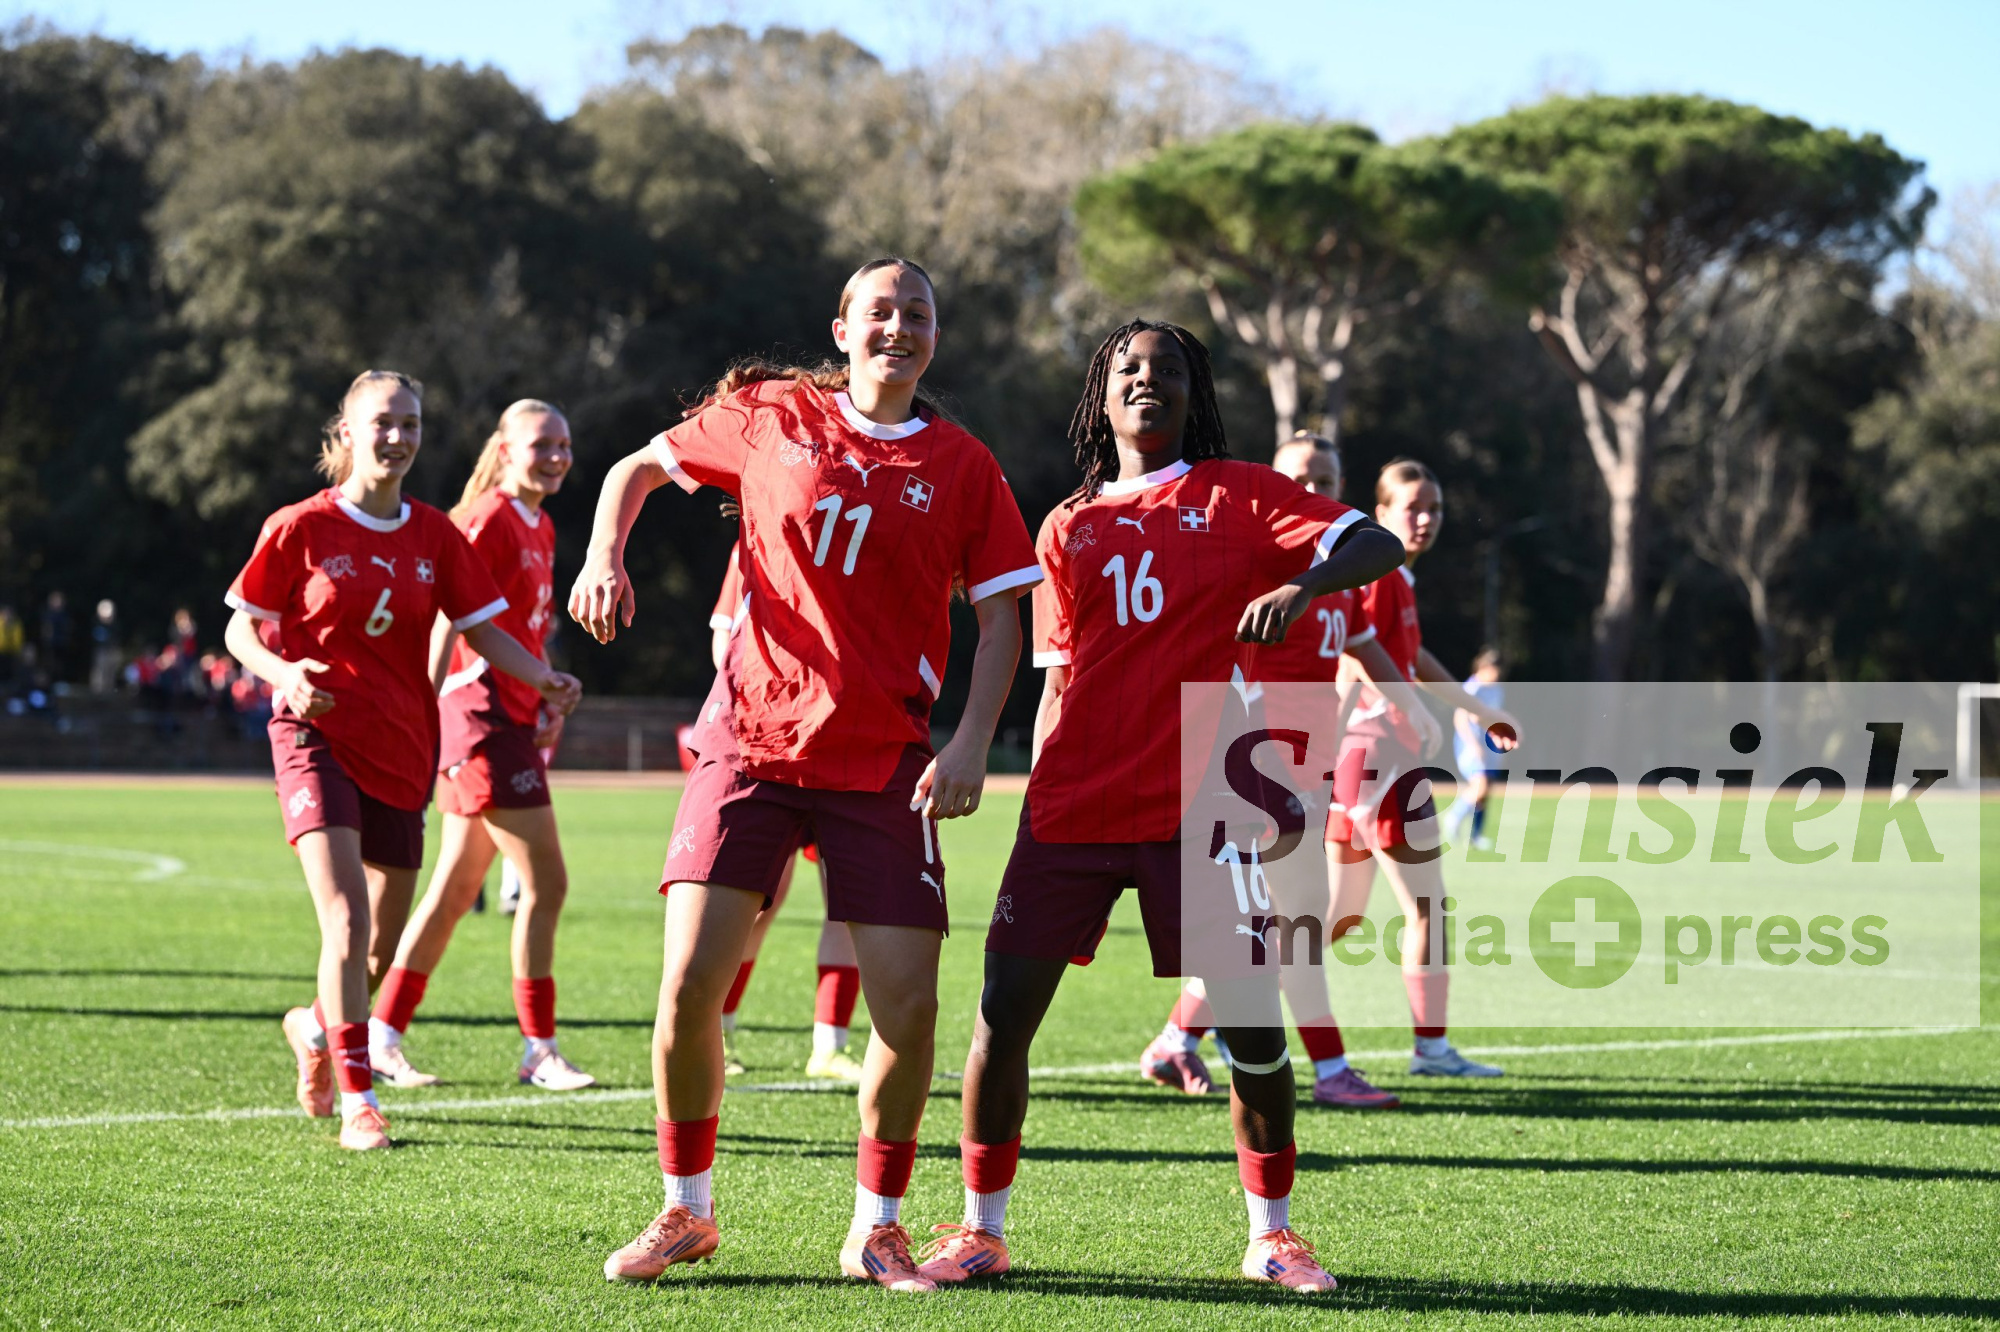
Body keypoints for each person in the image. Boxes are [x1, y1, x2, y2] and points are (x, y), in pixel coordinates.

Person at [572, 258, 1040, 1290]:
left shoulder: (963, 464)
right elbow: (634, 470)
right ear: (841, 327)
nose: (898, 328)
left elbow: (1004, 617)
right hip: (749, 743)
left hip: (884, 762)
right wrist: (605, 554)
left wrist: (970, 741)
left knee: (907, 1012)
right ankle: (685, 1208)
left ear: (935, 336)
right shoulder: (771, 414)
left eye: (917, 315)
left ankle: (877, 1227)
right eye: (880, 311)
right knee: (688, 988)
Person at [922, 322, 1405, 1293]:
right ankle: (981, 1229)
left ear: (1194, 393)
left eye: (1169, 369)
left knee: (1253, 1033)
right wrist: (1031, 795)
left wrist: (1301, 582)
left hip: (1203, 812)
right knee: (1000, 1021)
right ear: (1100, 397)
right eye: (1129, 368)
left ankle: (1272, 1236)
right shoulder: (1065, 525)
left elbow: (1376, 542)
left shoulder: (1239, 494)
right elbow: (1057, 680)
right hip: (1071, 805)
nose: (1148, 380)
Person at [222, 370, 581, 1151]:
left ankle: (315, 1028)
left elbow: (482, 628)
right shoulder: (300, 526)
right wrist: (283, 674)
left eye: (411, 424)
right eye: (382, 423)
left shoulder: (435, 535)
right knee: (347, 921)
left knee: (378, 950)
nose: (397, 437)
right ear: (347, 432)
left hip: (403, 746)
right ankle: (360, 1100)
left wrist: (543, 677)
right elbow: (240, 628)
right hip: (315, 738)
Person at [1139, 431, 1440, 1110]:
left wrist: (1412, 705)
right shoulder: (1256, 560)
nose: (1312, 491)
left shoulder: (1339, 570)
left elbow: (1364, 647)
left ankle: (1176, 1039)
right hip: (1256, 763)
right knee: (1294, 924)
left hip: (1309, 764)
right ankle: (1329, 1069)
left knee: (1276, 925)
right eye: (1299, 478)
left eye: (1326, 481)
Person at [367, 399, 597, 1092]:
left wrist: (543, 698)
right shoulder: (488, 518)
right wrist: (420, 710)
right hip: (477, 716)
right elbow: (445, 616)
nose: (556, 456)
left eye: (564, 444)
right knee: (547, 884)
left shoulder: (540, 523)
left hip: (509, 716)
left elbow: (522, 628)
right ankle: (538, 1049)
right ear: (503, 450)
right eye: (541, 443)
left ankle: (378, 1035)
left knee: (455, 889)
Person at [1326, 459, 1519, 1078]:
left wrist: (1476, 711)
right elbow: (1355, 659)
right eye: (1412, 507)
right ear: (1380, 513)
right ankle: (1432, 1050)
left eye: (1434, 508)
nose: (1426, 518)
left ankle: (1191, 1024)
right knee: (1427, 907)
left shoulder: (1395, 578)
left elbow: (1410, 658)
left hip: (1359, 760)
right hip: (1381, 756)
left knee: (1335, 918)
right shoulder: (1380, 574)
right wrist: (1401, 714)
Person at [707, 537, 866, 1081]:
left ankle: (829, 1046)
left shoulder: (859, 540)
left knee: (846, 905)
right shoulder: (754, 542)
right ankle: (718, 1030)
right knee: (757, 905)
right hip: (770, 748)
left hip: (844, 746)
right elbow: (725, 638)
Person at [1442, 648, 1505, 850]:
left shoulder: (1496, 689)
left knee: (1485, 791)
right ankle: (1454, 817)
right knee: (1480, 785)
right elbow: (1460, 718)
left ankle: (1475, 835)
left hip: (1490, 746)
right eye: (1493, 670)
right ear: (1483, 668)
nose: (1496, 675)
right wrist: (1473, 744)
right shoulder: (1472, 688)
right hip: (1470, 746)